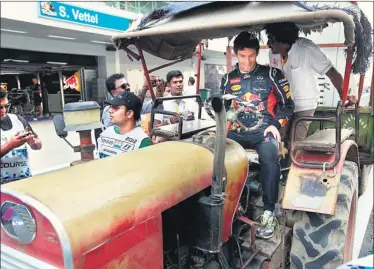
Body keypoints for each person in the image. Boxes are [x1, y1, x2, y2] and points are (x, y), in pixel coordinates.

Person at [219, 32, 294, 239]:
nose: (247, 61)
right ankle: (226, 206)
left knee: (270, 155)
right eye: (242, 56)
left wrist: (276, 126)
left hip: (264, 131)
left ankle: (269, 210)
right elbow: (223, 110)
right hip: (237, 131)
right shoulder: (227, 79)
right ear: (236, 55)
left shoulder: (272, 74)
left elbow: (288, 105)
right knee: (216, 156)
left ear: (257, 53)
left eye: (251, 56)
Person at [265, 22, 356, 142]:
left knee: (295, 142)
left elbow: (332, 73)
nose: (268, 44)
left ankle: (292, 160)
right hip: (283, 103)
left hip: (304, 105)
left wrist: (344, 96)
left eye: (271, 39)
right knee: (276, 138)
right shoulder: (273, 54)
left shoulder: (307, 49)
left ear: (283, 40)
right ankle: (279, 160)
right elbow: (276, 78)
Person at [0, 89, 42, 184]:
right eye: (0, 107)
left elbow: (38, 144)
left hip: (24, 181)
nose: (4, 110)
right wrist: (10, 145)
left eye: (6, 106)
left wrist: (33, 143)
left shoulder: (17, 120)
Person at [97, 92, 152, 158]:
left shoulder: (142, 141)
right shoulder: (105, 133)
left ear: (129, 113)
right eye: (111, 107)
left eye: (116, 108)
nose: (110, 110)